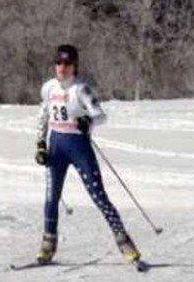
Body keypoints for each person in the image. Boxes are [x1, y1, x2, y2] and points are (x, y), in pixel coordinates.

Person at [34, 44, 141, 264]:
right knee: (51, 198)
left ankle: (125, 243)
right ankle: (48, 244)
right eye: (58, 63)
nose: (62, 68)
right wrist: (40, 145)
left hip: (78, 146)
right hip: (56, 146)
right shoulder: (49, 88)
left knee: (98, 195)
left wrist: (88, 121)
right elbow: (43, 116)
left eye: (67, 63)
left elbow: (101, 115)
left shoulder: (81, 89)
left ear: (75, 66)